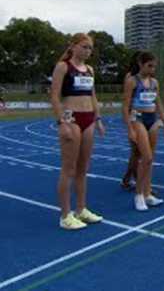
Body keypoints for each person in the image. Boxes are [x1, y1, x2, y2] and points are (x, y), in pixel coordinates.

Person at [51, 33, 105, 230]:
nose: (87, 51)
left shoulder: (90, 70)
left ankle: (81, 209)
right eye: (84, 47)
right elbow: (55, 97)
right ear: (73, 46)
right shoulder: (63, 67)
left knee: (83, 168)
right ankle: (65, 215)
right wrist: (61, 123)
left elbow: (93, 96)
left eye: (90, 48)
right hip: (71, 119)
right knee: (69, 168)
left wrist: (98, 119)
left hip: (88, 119)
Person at [123, 52, 164, 211]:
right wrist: (129, 128)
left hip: (153, 118)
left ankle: (148, 193)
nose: (152, 69)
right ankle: (139, 194)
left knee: (150, 159)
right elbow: (125, 106)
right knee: (146, 157)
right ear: (141, 64)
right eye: (149, 66)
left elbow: (158, 103)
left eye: (154, 66)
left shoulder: (155, 82)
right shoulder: (132, 81)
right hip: (138, 118)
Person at [120, 51, 141, 190]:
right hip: (134, 117)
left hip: (145, 117)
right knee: (137, 150)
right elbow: (126, 101)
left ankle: (127, 178)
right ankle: (140, 182)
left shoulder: (148, 78)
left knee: (137, 152)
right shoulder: (131, 77)